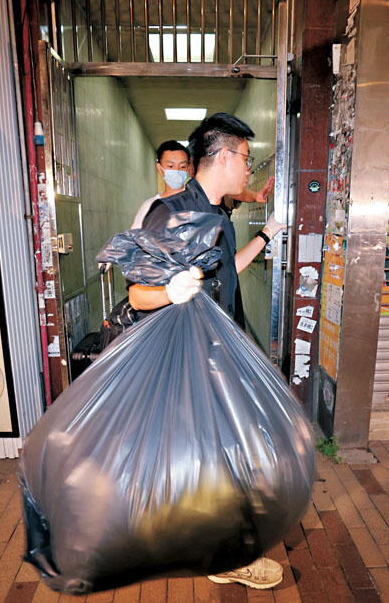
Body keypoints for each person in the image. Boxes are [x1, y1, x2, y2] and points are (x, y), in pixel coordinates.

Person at [128, 113, 285, 589]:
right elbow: (138, 293)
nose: (249, 169)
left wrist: (266, 234)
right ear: (221, 156)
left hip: (216, 354)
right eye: (246, 158)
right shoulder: (172, 213)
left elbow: (224, 277)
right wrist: (170, 291)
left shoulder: (217, 215)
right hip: (188, 358)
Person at [131, 140, 276, 229]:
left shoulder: (200, 196)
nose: (176, 171)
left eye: (182, 166)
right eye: (170, 166)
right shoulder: (151, 206)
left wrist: (255, 196)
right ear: (160, 168)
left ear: (189, 167)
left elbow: (232, 190)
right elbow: (134, 246)